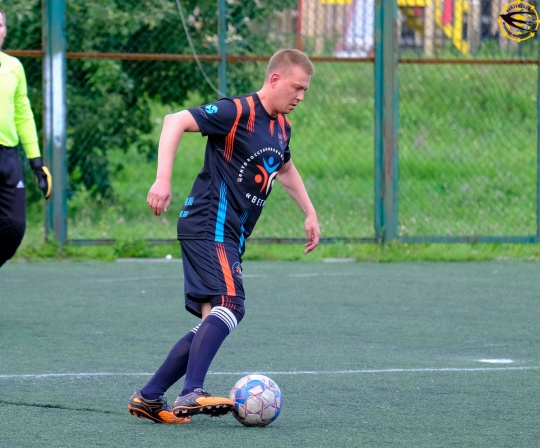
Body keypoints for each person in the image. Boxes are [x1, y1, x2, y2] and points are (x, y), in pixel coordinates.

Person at [128, 48, 320, 425]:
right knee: (232, 304)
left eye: (305, 91)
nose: (300, 96)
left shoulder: (282, 127)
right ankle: (191, 392)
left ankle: (149, 397)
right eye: (296, 87)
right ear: (275, 79)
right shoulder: (237, 111)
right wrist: (162, 179)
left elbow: (284, 168)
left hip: (229, 234)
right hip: (208, 224)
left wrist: (309, 211)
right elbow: (173, 121)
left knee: (212, 320)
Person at [0, 8, 52, 268]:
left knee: (13, 227)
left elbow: (23, 115)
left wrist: (36, 163)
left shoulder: (13, 67)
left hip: (8, 155)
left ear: (5, 31)